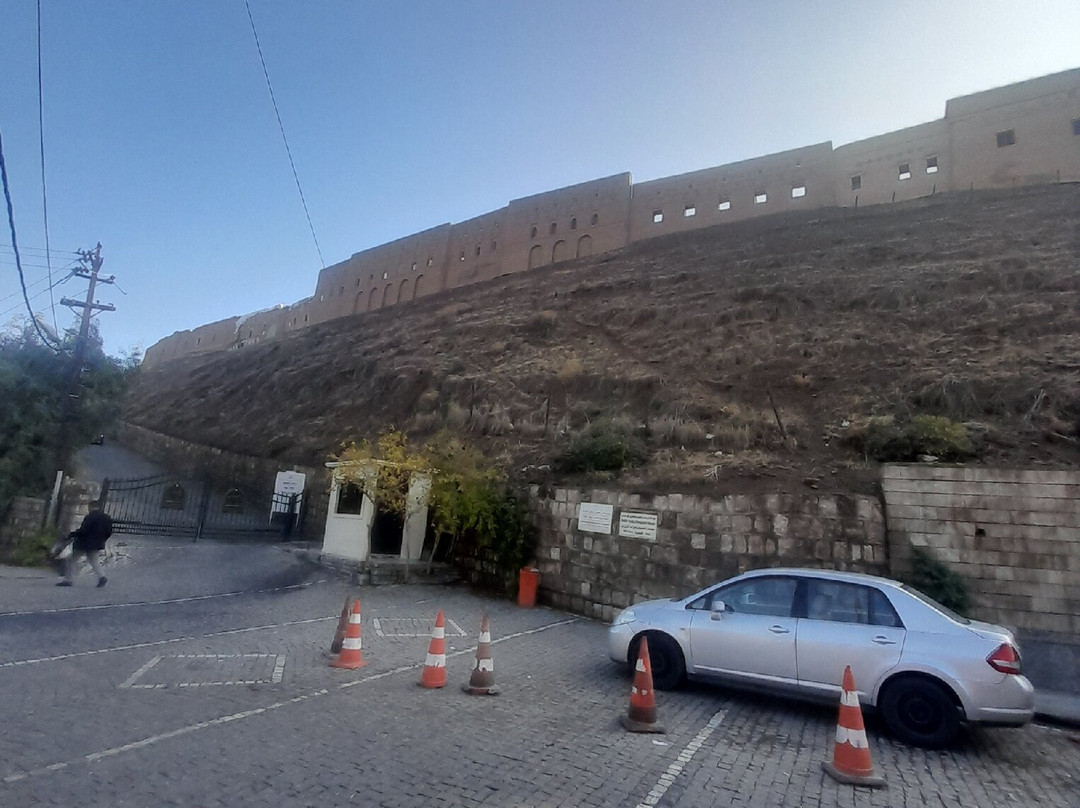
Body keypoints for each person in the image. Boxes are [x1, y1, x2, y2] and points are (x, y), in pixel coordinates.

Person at [57, 500, 113, 588]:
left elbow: (84, 530)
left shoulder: (90, 517)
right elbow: (109, 532)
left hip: (84, 543)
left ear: (91, 507)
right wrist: (102, 540)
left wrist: (72, 535)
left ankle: (68, 580)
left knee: (72, 560)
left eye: (88, 507)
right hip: (97, 544)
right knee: (94, 561)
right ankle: (102, 577)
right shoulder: (107, 518)